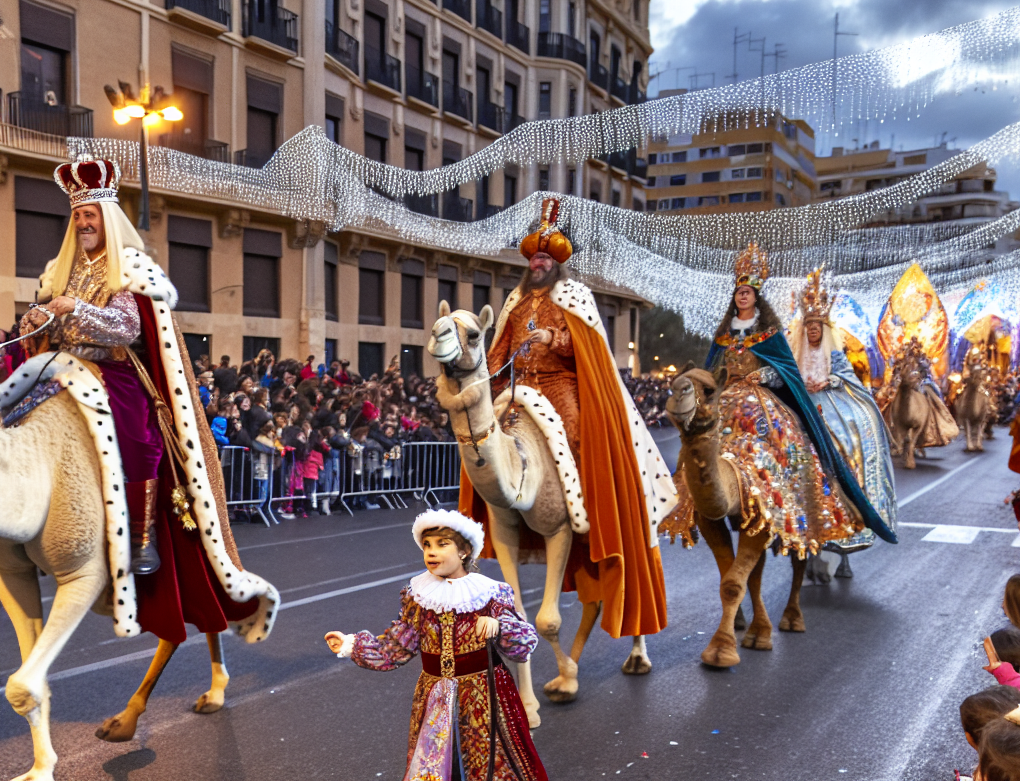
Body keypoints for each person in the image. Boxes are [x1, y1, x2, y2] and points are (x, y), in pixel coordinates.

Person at [19, 156, 275, 643]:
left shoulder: (128, 268)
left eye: (90, 214)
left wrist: (77, 308)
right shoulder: (61, 271)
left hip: (114, 369)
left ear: (106, 218)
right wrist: (37, 320)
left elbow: (128, 327)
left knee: (138, 436)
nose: (82, 222)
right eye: (77, 215)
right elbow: (50, 324)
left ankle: (141, 538)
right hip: (62, 368)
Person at [461, 196, 677, 642]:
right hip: (520, 388)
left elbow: (585, 347)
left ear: (556, 262)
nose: (537, 263)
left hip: (561, 385)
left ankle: (593, 511)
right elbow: (499, 349)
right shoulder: (516, 302)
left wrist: (553, 336)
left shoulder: (575, 295)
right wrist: (485, 382)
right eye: (533, 257)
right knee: (484, 441)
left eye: (544, 257)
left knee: (577, 434)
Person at [672, 242, 896, 552]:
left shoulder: (770, 335)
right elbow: (712, 368)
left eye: (748, 292)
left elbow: (783, 370)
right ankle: (689, 497)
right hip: (727, 396)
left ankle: (788, 497)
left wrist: (762, 376)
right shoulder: (723, 335)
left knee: (785, 438)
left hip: (760, 397)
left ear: (756, 297)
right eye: (739, 292)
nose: (743, 295)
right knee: (699, 440)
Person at [324, 510, 548, 781]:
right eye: (427, 545)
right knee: (434, 762)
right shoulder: (417, 595)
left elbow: (523, 646)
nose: (431, 552)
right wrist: (351, 644)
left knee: (490, 761)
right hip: (434, 696)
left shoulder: (491, 593)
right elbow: (396, 647)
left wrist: (500, 626)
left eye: (442, 544)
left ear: (464, 551)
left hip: (484, 695)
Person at [791, 267, 899, 552]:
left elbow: (847, 377)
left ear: (824, 329)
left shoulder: (835, 354)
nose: (813, 330)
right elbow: (788, 377)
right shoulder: (796, 355)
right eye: (809, 326)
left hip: (830, 404)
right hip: (804, 404)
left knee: (847, 440)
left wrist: (828, 381)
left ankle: (852, 506)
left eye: (817, 326)